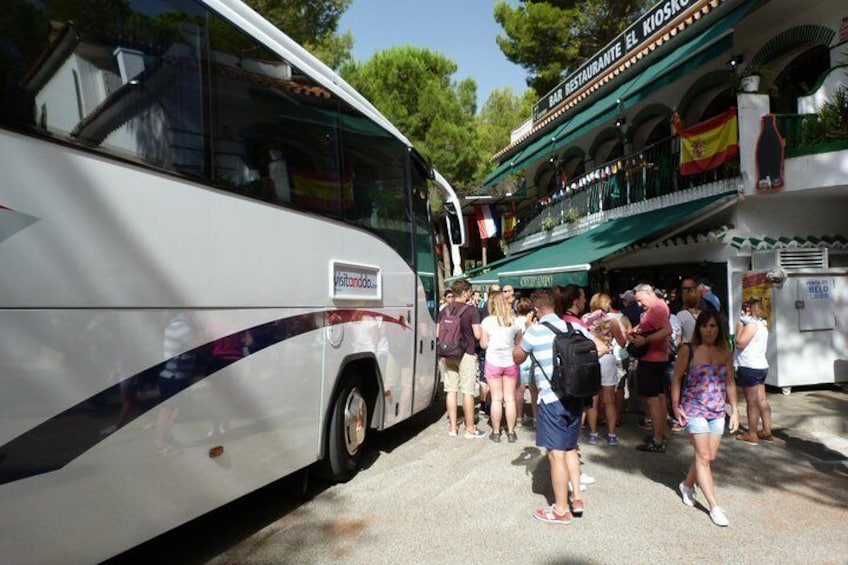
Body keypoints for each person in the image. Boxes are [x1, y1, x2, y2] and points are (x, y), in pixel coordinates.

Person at [513, 289, 609, 524]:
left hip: (551, 398)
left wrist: (523, 330)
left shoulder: (534, 331)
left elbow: (517, 357)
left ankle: (560, 510)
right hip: (576, 395)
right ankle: (576, 498)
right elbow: (603, 348)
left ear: (536, 310)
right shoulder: (573, 327)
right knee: (570, 448)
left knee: (556, 455)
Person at [671, 310, 739, 527]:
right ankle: (714, 506)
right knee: (703, 456)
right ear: (698, 328)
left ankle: (687, 485)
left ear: (719, 328)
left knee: (707, 457)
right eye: (704, 326)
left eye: (713, 326)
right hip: (694, 409)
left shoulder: (724, 351)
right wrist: (675, 406)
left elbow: (730, 382)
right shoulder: (688, 350)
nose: (708, 330)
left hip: (718, 411)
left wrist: (735, 410)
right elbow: (676, 380)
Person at [438, 279, 485, 438]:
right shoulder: (471, 311)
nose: (470, 295)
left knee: (451, 391)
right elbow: (478, 335)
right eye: (470, 292)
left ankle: (452, 427)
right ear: (464, 292)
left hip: (448, 352)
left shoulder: (444, 310)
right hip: (467, 353)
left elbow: (438, 333)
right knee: (467, 391)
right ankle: (470, 428)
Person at [629, 283, 672, 453]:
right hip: (657, 358)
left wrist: (645, 340)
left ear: (648, 294)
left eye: (640, 300)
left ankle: (658, 439)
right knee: (659, 398)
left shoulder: (656, 308)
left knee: (653, 399)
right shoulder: (659, 306)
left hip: (652, 359)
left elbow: (667, 329)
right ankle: (660, 434)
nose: (639, 304)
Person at [582, 293, 627, 445]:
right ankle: (612, 434)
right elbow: (622, 342)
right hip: (607, 358)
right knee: (609, 400)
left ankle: (593, 433)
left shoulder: (585, 320)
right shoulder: (611, 320)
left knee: (593, 399)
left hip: (590, 358)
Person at [480, 291, 523, 442]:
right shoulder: (514, 321)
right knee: (510, 398)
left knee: (496, 399)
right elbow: (519, 343)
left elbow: (484, 344)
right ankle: (511, 432)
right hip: (510, 362)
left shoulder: (486, 322)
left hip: (493, 362)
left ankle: (496, 432)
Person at [734, 298, 773, 445]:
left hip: (749, 366)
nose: (743, 311)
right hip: (761, 365)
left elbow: (739, 343)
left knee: (752, 402)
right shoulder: (762, 324)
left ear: (752, 309)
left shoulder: (751, 325)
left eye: (746, 308)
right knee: (761, 399)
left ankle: (752, 433)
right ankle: (767, 430)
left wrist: (739, 328)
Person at [514, 297, 538, 428]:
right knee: (534, 391)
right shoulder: (534, 323)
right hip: (532, 358)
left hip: (519, 357)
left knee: (519, 390)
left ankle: (518, 418)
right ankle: (536, 418)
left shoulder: (514, 322)